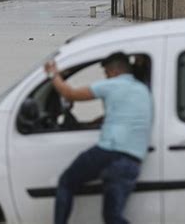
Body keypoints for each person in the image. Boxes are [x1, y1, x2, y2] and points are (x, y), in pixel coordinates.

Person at [44, 52, 153, 224]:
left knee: (66, 182)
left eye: (106, 74)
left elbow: (70, 93)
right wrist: (88, 125)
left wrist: (52, 73)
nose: (106, 77)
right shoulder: (142, 90)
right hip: (133, 160)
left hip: (110, 152)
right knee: (112, 217)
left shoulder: (112, 85)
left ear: (114, 71)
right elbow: (119, 114)